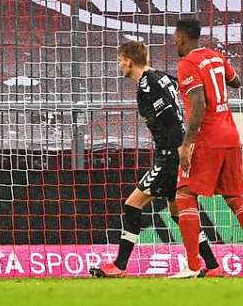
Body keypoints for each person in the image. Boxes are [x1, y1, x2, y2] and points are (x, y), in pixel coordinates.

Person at [92, 41, 218, 278]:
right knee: (180, 215)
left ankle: (119, 265)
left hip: (170, 155)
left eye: (120, 60)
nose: (120, 65)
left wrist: (180, 149)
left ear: (129, 60)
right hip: (174, 152)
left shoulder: (149, 86)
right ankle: (212, 265)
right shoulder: (162, 77)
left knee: (132, 204)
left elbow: (170, 117)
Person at [174, 19, 243, 278]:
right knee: (235, 198)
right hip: (230, 134)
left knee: (184, 193)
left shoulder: (187, 65)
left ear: (183, 38)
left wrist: (186, 145)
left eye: (176, 37)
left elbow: (198, 104)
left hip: (206, 138)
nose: (174, 41)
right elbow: (236, 81)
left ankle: (193, 265)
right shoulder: (215, 56)